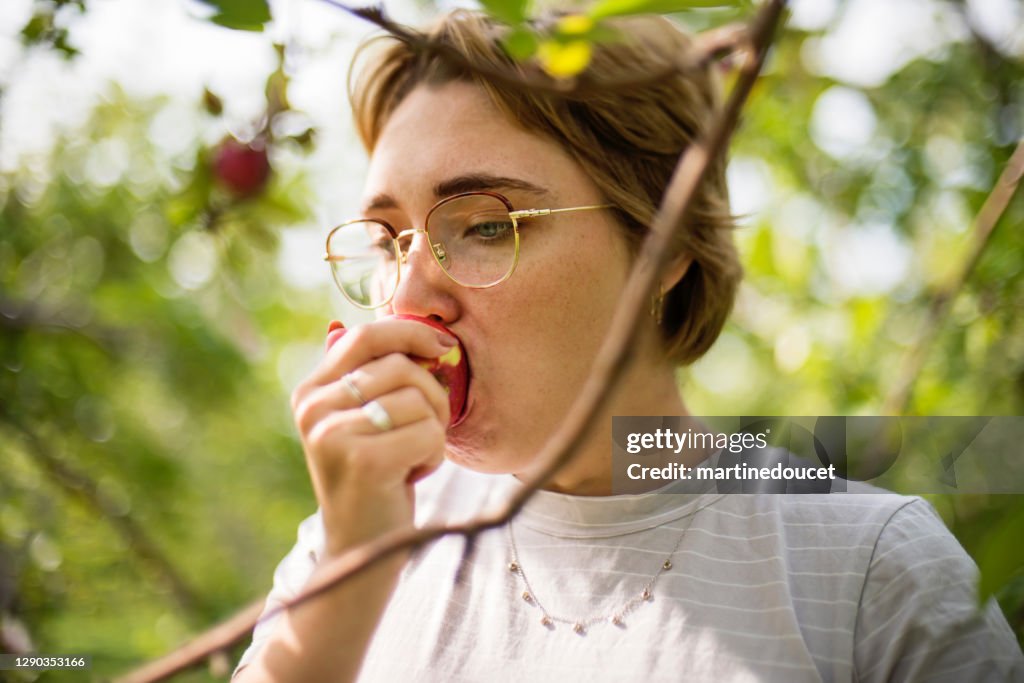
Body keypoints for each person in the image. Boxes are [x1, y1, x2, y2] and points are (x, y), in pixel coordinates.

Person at [233, 10, 1024, 683]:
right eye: (386, 240)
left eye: (483, 226)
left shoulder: (871, 571)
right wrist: (347, 579)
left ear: (664, 241)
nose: (406, 299)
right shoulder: (352, 544)